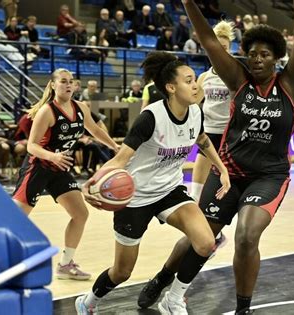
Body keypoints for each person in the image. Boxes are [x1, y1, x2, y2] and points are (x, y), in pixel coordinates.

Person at [138, 0, 294, 314]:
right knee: (200, 235)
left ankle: (243, 307)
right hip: (229, 171)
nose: (257, 60)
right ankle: (162, 277)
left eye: (265, 54)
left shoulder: (292, 84)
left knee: (245, 236)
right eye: (253, 53)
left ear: (277, 58)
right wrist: (190, 4)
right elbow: (207, 40)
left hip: (268, 177)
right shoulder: (238, 79)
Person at [74, 51, 231, 314]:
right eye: (189, 80)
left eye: (195, 80)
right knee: (122, 272)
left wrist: (221, 167)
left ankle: (173, 298)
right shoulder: (151, 117)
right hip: (135, 197)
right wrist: (91, 183)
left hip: (169, 190)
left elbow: (202, 140)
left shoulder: (195, 112)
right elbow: (121, 159)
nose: (196, 85)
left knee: (206, 242)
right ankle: (88, 301)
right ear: (171, 87)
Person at [12, 68, 119, 280]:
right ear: (53, 85)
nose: (68, 85)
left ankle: (65, 264)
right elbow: (31, 146)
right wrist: (53, 157)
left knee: (80, 214)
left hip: (58, 169)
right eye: (63, 81)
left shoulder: (80, 107)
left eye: (71, 81)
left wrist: (115, 147)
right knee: (14, 219)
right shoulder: (47, 111)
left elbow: (95, 131)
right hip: (38, 167)